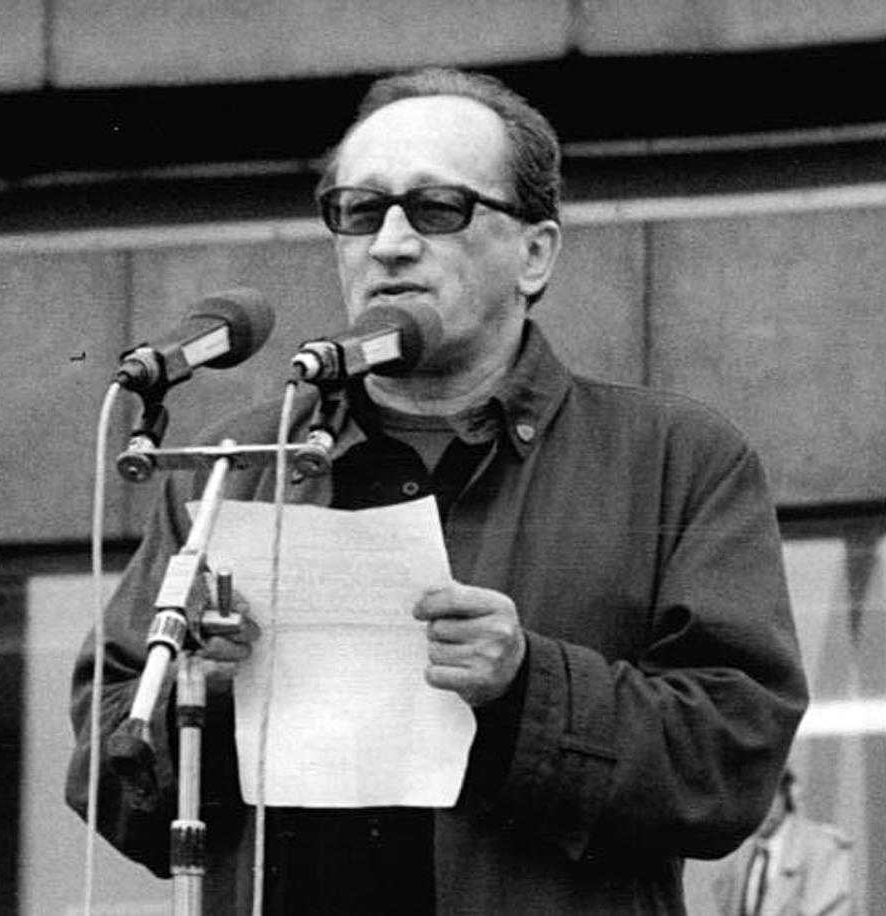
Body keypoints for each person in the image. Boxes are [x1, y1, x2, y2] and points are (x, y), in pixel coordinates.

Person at [66, 67, 809, 915]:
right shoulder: (237, 462)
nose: (388, 243)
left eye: (436, 210)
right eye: (358, 211)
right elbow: (106, 775)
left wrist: (527, 685)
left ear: (536, 253)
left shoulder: (675, 459)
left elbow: (733, 758)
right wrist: (208, 691)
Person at [711, 769, 855, 916]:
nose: (754, 808)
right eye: (744, 799)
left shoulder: (823, 849)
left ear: (786, 796)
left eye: (763, 797)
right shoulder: (737, 860)